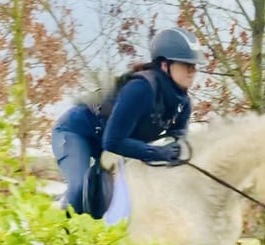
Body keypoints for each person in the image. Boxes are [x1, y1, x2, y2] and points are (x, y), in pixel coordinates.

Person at [51, 27, 204, 215]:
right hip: (76, 132)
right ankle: (52, 222)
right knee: (78, 193)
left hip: (109, 146)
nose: (193, 71)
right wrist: (156, 152)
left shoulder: (183, 104)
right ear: (165, 65)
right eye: (186, 65)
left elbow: (177, 141)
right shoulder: (141, 88)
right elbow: (113, 141)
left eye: (195, 66)